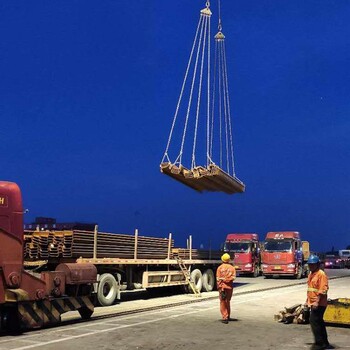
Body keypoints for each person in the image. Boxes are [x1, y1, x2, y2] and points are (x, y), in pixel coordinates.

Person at [306, 255, 331, 350]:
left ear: (317, 264)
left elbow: (323, 289)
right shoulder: (311, 274)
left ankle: (320, 343)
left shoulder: (321, 274)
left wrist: (317, 301)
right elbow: (310, 289)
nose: (310, 266)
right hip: (313, 303)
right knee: (319, 322)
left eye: (312, 265)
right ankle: (324, 342)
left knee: (314, 322)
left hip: (319, 303)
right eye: (309, 265)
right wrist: (307, 301)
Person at [216, 253, 236, 324]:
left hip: (222, 287)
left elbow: (218, 279)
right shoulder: (232, 268)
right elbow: (233, 277)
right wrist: (227, 279)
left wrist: (221, 282)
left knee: (222, 302)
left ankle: (225, 317)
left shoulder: (220, 268)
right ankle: (228, 315)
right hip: (229, 287)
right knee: (228, 301)